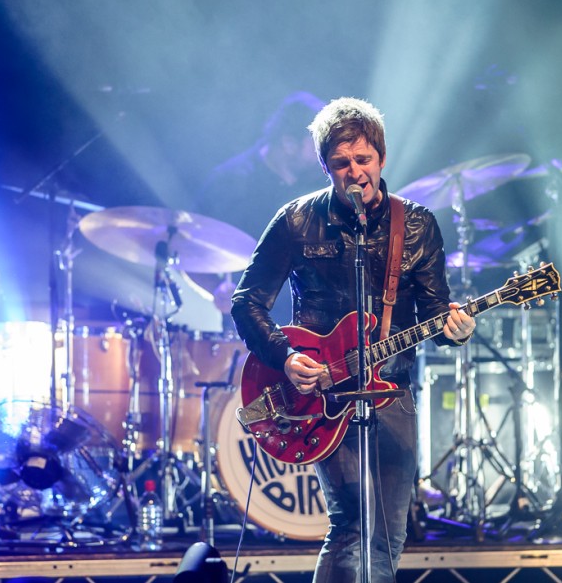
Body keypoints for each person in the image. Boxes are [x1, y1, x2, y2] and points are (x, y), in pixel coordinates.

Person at [230, 97, 476, 583]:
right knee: (350, 526)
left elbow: (434, 316)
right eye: (341, 163)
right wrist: (286, 356)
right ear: (325, 167)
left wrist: (456, 330)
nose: (355, 172)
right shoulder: (296, 221)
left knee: (386, 534)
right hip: (324, 393)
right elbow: (247, 302)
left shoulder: (418, 225)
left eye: (363, 160)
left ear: (381, 159)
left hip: (391, 391)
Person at [194, 91, 327, 326]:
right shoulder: (230, 183)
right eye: (317, 144)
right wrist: (218, 290)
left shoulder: (318, 187)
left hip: (308, 330)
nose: (324, 153)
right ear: (289, 144)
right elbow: (189, 250)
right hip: (250, 333)